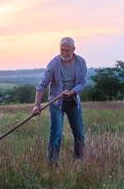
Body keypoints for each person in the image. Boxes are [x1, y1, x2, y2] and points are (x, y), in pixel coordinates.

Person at [32, 37, 87, 167]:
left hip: (73, 101)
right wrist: (36, 106)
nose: (64, 53)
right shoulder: (53, 63)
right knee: (56, 133)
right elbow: (42, 85)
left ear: (73, 49)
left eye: (67, 50)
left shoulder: (81, 62)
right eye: (62, 50)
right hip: (57, 103)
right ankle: (53, 164)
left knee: (79, 133)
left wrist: (72, 92)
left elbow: (82, 83)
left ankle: (79, 162)